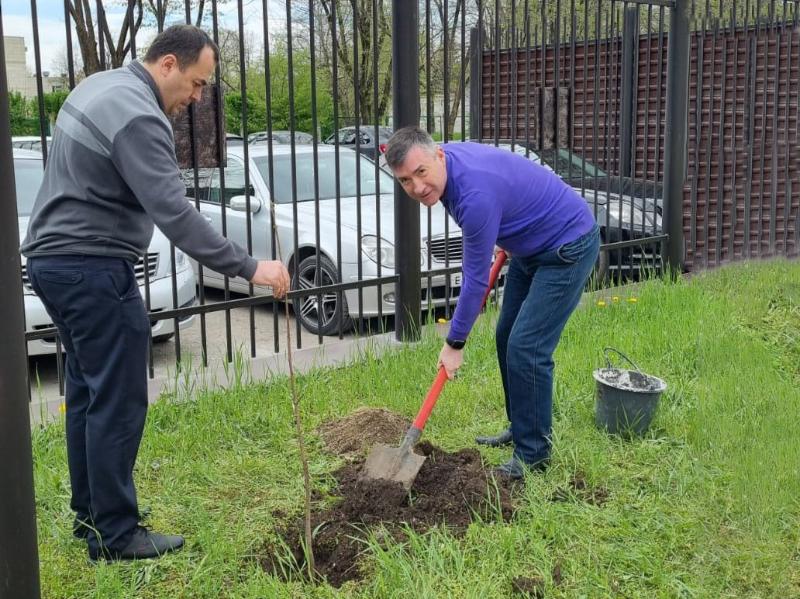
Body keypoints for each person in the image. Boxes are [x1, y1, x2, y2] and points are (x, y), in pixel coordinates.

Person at [21, 25, 290, 561]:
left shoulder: (96, 86)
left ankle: (92, 521)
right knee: (118, 400)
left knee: (89, 393)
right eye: (195, 83)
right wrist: (251, 266)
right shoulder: (139, 115)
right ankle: (117, 536)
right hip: (91, 267)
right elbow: (175, 215)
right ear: (167, 64)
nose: (195, 98)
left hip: (54, 263)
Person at [384, 126, 599, 479]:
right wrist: (509, 224)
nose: (417, 187)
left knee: (527, 347)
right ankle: (522, 425)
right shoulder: (446, 163)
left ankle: (534, 455)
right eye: (405, 181)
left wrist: (455, 342)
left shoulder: (474, 195)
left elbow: (475, 280)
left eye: (421, 173)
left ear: (438, 155)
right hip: (528, 245)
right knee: (506, 337)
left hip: (567, 247)